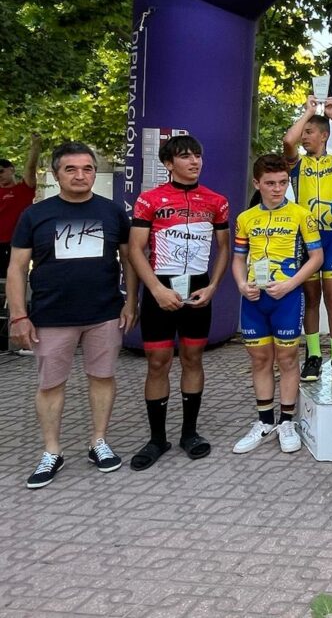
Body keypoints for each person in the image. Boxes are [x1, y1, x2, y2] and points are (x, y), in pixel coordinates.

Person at [8, 141, 138, 488]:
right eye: (71, 169)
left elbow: (129, 261)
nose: (81, 175)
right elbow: (18, 268)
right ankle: (52, 451)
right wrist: (19, 315)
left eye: (87, 169)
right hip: (50, 316)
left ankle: (98, 441)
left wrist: (130, 302)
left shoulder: (112, 212)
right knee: (50, 384)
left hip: (104, 313)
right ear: (56, 174)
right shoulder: (35, 215)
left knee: (103, 377)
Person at [126, 134, 231, 470]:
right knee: (157, 362)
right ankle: (157, 438)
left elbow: (225, 248)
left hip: (198, 290)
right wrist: (155, 289)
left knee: (192, 358)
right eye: (185, 157)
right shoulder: (149, 200)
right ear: (169, 164)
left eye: (197, 155)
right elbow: (135, 250)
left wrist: (214, 286)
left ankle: (190, 432)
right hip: (161, 289)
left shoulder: (216, 201)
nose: (194, 161)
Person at [231, 154, 324, 455]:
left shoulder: (300, 214)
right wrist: (241, 285)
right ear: (257, 183)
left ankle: (287, 421)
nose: (277, 189)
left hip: (286, 296)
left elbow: (317, 258)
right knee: (259, 361)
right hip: (255, 300)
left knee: (286, 360)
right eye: (270, 183)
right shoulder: (246, 218)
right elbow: (238, 258)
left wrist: (290, 284)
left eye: (283, 182)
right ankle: (264, 422)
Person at [283, 95, 332, 383]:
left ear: (324, 136)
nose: (303, 137)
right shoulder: (297, 165)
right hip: (307, 238)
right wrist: (306, 113)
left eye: (310, 132)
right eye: (303, 132)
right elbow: (288, 142)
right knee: (311, 299)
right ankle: (313, 356)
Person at [0, 132, 41, 272]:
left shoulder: (24, 189)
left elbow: (30, 167)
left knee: (16, 274)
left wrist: (35, 145)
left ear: (11, 169)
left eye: (1, 171)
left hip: (19, 242)